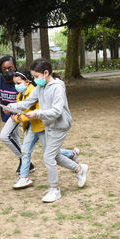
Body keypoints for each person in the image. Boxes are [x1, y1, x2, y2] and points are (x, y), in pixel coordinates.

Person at [8, 58, 88, 203]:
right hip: (49, 125)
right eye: (33, 76)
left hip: (60, 125)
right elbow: (28, 102)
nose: (34, 80)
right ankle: (79, 169)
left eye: (36, 76)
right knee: (55, 156)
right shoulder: (41, 86)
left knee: (48, 157)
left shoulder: (57, 87)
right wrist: (13, 106)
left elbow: (57, 111)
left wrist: (37, 114)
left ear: (46, 73)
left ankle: (55, 189)